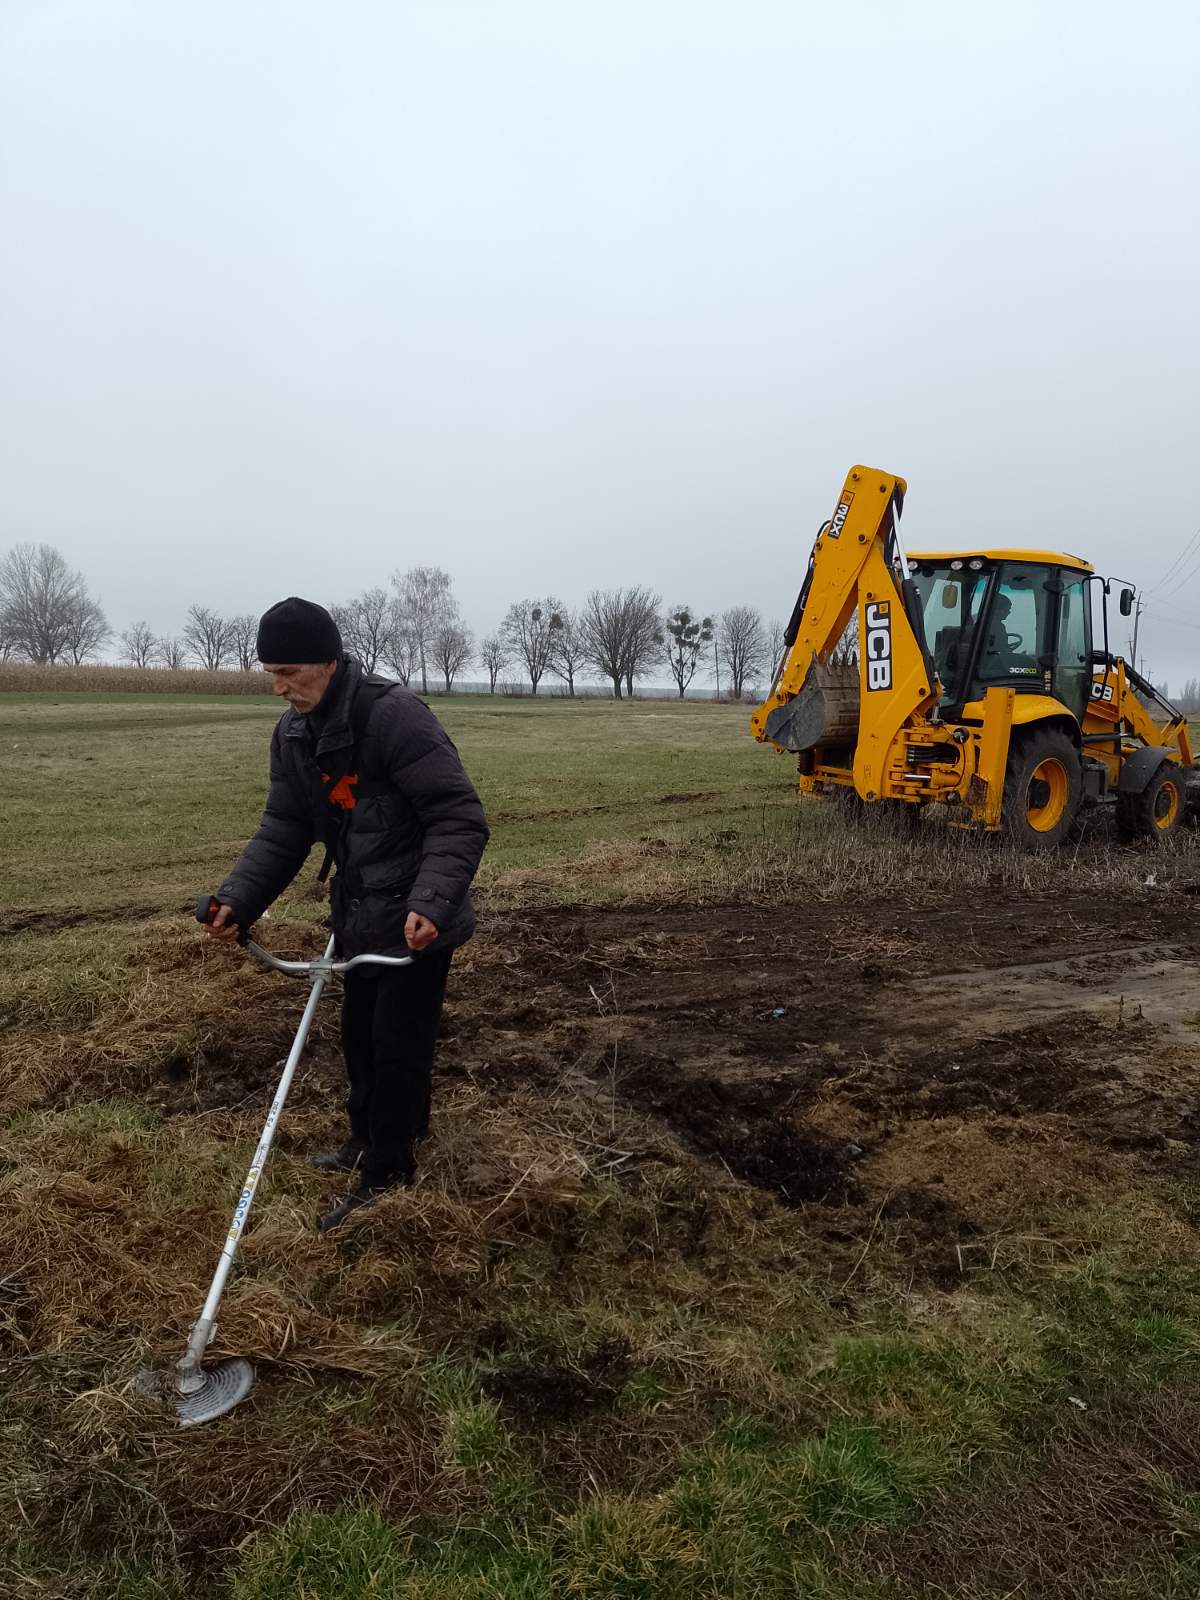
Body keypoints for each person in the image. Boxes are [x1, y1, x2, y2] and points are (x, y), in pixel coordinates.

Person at [202, 596, 489, 1232]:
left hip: (418, 921)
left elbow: (458, 818)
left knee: (397, 1046)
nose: (279, 689)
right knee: (359, 1038)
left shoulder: (395, 718)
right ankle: (371, 1140)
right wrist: (239, 899)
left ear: (329, 662)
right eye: (269, 673)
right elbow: (284, 827)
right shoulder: (296, 734)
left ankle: (388, 1174)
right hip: (357, 914)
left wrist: (430, 903)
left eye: (291, 673)